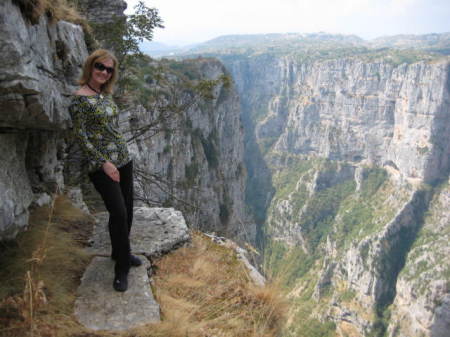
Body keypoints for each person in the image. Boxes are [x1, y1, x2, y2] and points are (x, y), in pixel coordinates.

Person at [68, 49, 141, 292]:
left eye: (109, 70)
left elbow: (111, 129)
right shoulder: (80, 99)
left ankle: (121, 253)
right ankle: (122, 269)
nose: (104, 72)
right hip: (102, 165)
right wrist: (104, 163)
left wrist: (122, 156)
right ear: (90, 66)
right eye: (100, 67)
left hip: (123, 159)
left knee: (127, 210)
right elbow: (82, 137)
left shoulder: (104, 95)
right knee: (118, 212)